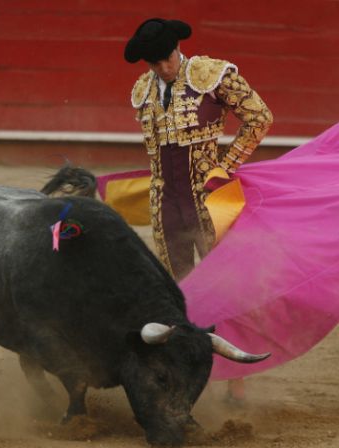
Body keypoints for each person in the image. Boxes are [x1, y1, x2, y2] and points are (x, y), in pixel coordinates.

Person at [124, 18, 273, 405]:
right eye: (153, 63)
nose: (162, 68)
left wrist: (226, 166)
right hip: (166, 205)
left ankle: (235, 382)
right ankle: (185, 377)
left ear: (177, 50)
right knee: (178, 293)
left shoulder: (212, 74)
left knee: (224, 289)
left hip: (209, 201)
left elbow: (260, 117)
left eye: (165, 59)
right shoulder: (143, 90)